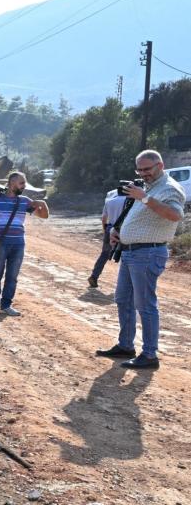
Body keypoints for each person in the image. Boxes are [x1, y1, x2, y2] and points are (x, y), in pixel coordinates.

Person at [95, 149, 186, 369]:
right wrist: (119, 232)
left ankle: (150, 355)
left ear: (160, 166)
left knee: (145, 305)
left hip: (148, 253)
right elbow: (139, 218)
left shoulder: (170, 188)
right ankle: (126, 345)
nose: (143, 173)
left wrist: (144, 198)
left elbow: (175, 215)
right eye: (140, 169)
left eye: (147, 169)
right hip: (130, 252)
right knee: (123, 299)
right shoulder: (147, 188)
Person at [0, 171, 50, 316]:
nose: (24, 186)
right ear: (12, 184)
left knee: (12, 276)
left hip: (18, 244)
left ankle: (6, 305)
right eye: (22, 183)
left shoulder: (24, 201)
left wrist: (43, 204)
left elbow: (44, 216)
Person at [87, 188, 127, 289]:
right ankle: (123, 284)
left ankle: (94, 276)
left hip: (110, 228)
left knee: (104, 254)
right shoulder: (129, 200)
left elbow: (104, 218)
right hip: (124, 229)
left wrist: (106, 230)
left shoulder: (109, 201)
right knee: (126, 256)